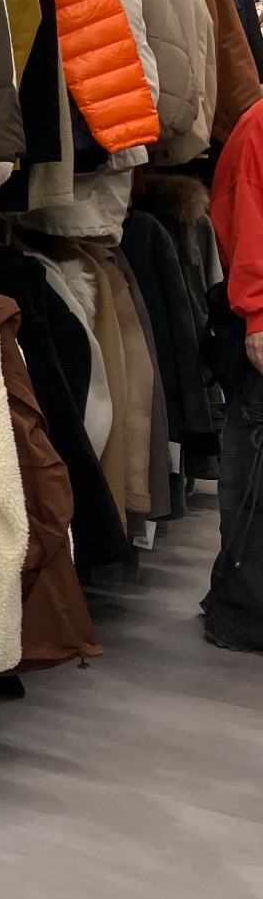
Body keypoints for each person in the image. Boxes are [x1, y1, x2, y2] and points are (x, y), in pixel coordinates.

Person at [206, 99, 263, 649]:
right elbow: (245, 221)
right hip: (258, 323)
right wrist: (259, 316)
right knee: (254, 477)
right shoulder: (260, 126)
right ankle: (244, 610)